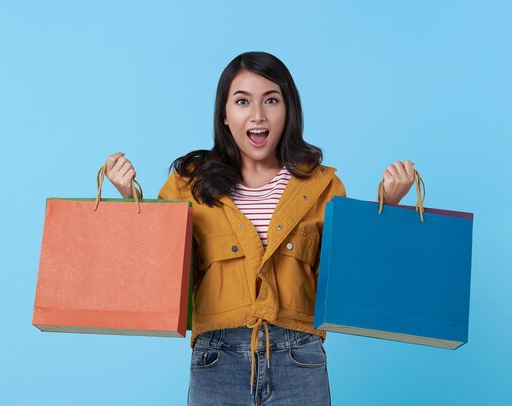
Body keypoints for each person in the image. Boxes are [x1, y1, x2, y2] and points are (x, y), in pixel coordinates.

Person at [104, 51, 415, 406]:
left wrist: (388, 207)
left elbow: (350, 279)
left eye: (271, 100)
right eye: (242, 101)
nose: (257, 115)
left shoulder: (323, 185)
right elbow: (159, 270)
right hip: (216, 358)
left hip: (300, 357)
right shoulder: (188, 184)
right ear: (224, 114)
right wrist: (131, 199)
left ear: (289, 110)